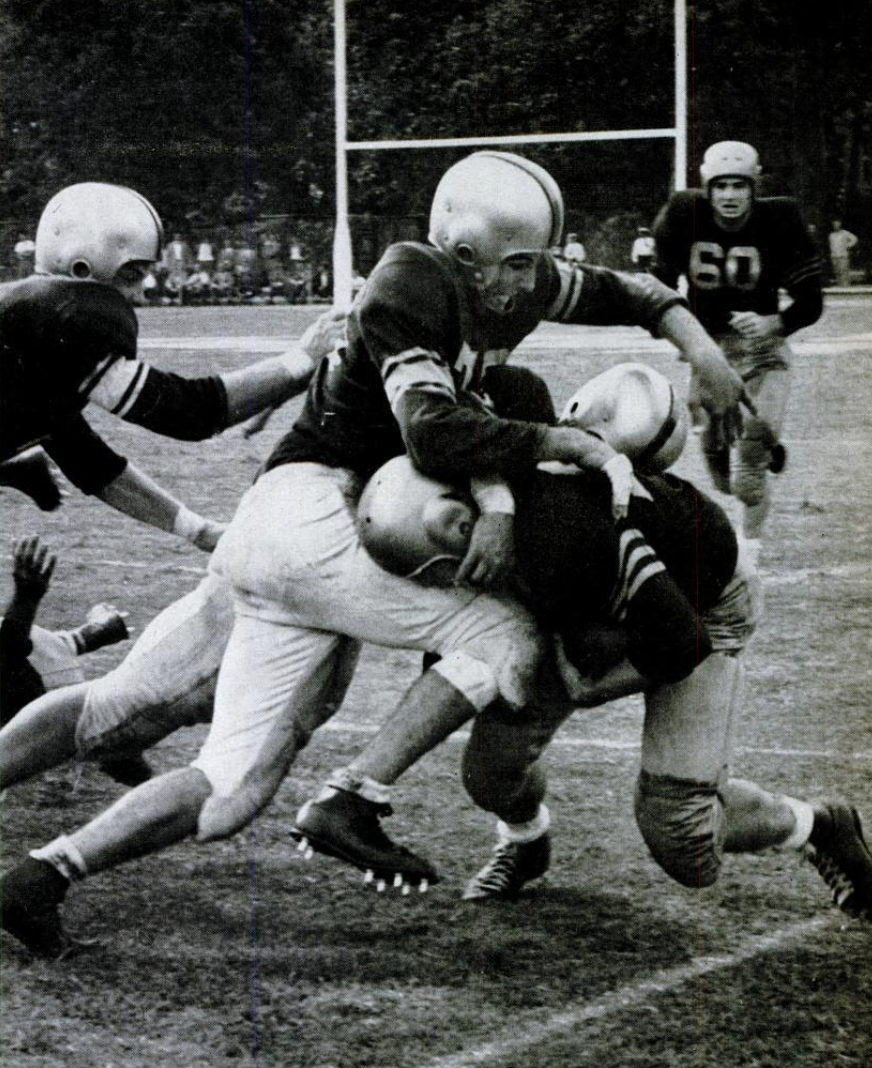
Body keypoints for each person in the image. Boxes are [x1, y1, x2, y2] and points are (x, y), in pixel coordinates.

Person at [0, 151, 743, 955]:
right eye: (519, 265)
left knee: (193, 767)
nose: (532, 284)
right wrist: (569, 447)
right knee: (506, 637)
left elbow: (624, 290)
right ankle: (354, 798)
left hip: (280, 528)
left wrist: (700, 350)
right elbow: (427, 426)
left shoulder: (504, 282)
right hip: (323, 516)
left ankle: (40, 880)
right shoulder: (414, 285)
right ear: (465, 253)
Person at [291, 386, 872, 924]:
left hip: (698, 603)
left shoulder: (565, 532)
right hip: (585, 602)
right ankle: (525, 844)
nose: (448, 586)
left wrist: (582, 682)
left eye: (444, 570)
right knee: (490, 774)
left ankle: (819, 825)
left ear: (464, 521)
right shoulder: (486, 508)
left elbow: (680, 640)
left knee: (683, 839)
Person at [0, 182, 343, 549]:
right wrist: (301, 358)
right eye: (132, 275)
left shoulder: (32, 328)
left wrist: (199, 531)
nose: (140, 293)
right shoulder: (60, 317)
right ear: (81, 265)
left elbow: (92, 463)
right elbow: (188, 412)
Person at [653, 141, 823, 564]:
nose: (729, 195)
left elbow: (811, 301)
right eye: (721, 185)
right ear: (707, 188)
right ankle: (765, 443)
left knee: (747, 472)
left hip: (763, 351)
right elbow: (658, 286)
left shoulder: (779, 218)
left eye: (739, 186)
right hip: (710, 352)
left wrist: (775, 323)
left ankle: (749, 550)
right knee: (720, 471)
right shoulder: (683, 213)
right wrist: (684, 333)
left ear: (754, 187)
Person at [0, 536, 146, 785]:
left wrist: (26, 599)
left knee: (118, 759)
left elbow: (10, 650)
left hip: (45, 684)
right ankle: (90, 634)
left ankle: (89, 635)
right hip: (37, 666)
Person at [828, 220, 858, 287]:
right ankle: (839, 285)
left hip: (843, 255)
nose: (836, 226)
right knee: (837, 271)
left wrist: (848, 245)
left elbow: (854, 239)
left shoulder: (845, 233)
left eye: (837, 224)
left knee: (844, 271)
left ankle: (846, 286)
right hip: (834, 256)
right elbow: (831, 245)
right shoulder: (831, 235)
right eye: (834, 225)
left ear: (840, 225)